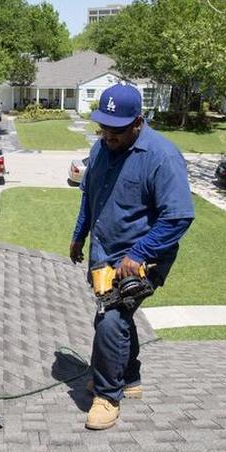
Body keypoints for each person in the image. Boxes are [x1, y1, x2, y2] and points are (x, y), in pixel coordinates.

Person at [70, 84, 194, 430]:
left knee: (109, 319)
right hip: (103, 253)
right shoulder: (100, 149)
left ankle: (108, 397)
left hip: (144, 258)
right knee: (118, 318)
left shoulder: (161, 157)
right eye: (103, 127)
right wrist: (79, 234)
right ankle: (131, 376)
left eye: (117, 129)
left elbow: (179, 216)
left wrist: (140, 252)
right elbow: (89, 196)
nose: (108, 135)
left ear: (138, 122)